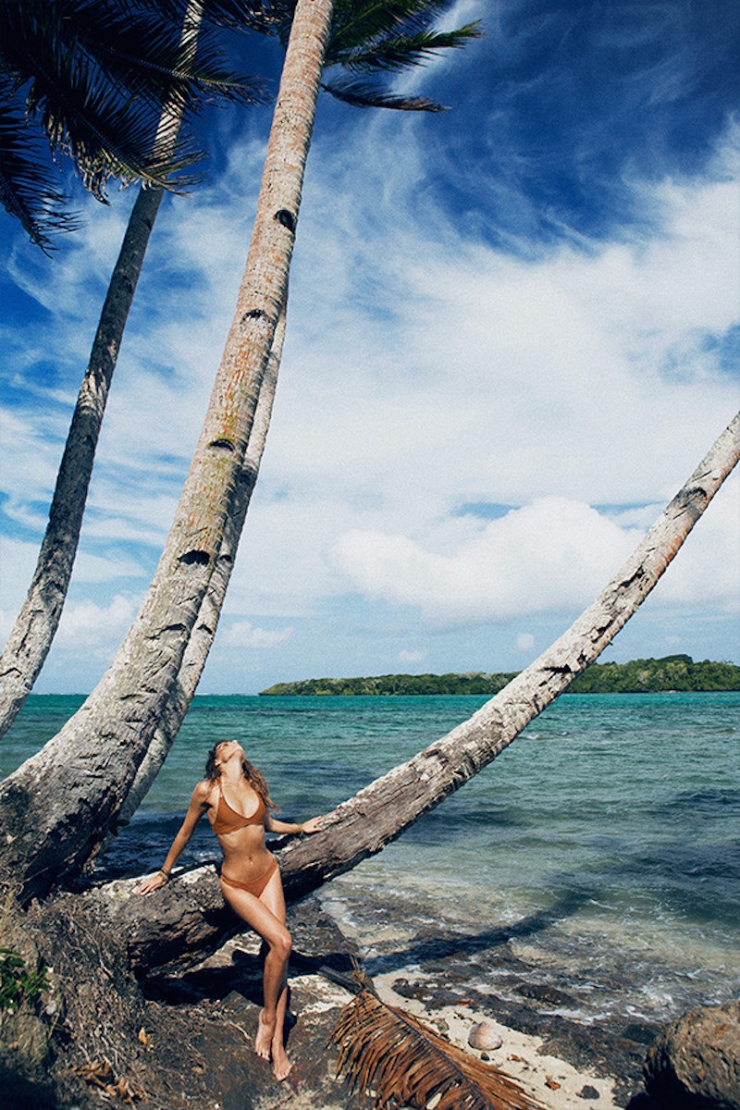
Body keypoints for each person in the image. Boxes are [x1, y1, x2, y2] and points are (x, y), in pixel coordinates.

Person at [136, 739, 323, 1081]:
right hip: (236, 884)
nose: (233, 743)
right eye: (225, 744)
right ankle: (267, 1018)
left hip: (268, 874)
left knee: (277, 950)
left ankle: (278, 1043)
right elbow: (185, 832)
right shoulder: (207, 790)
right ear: (219, 761)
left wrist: (300, 827)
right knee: (282, 942)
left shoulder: (253, 785)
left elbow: (267, 824)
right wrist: (164, 873)